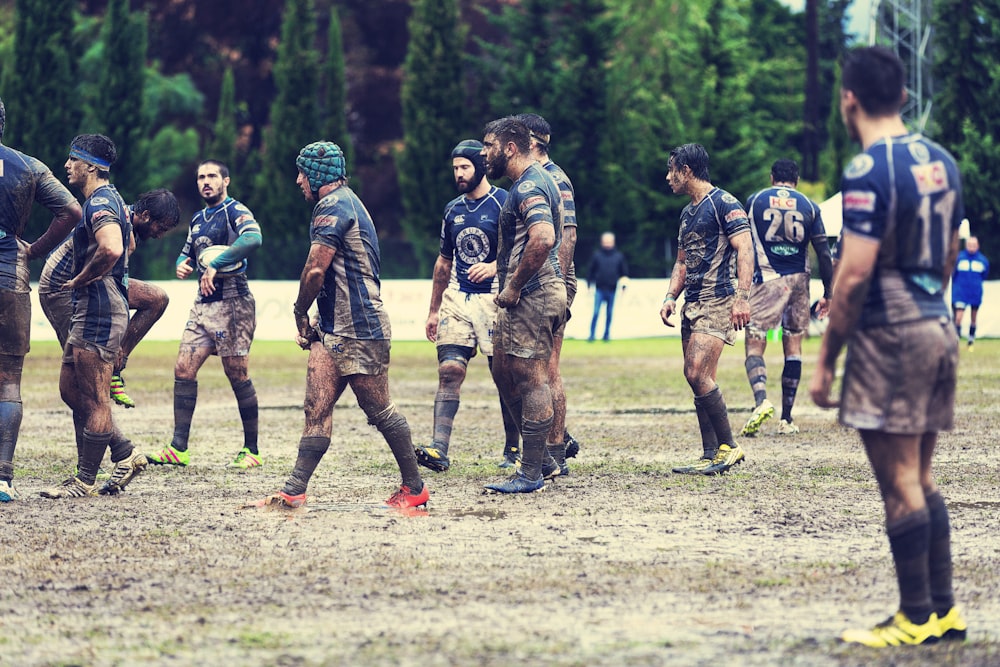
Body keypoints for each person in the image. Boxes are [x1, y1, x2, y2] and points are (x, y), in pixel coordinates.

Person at [810, 46, 966, 647]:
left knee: (897, 479)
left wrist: (826, 361)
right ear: (902, 95)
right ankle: (943, 610)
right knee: (921, 476)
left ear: (849, 99)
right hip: (936, 323)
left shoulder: (867, 170)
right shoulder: (943, 162)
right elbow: (951, 249)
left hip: (890, 332)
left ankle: (914, 615)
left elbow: (851, 276)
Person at [265, 141, 428, 509]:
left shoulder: (332, 206)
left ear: (317, 175)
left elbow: (316, 268)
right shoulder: (344, 202)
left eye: (302, 173)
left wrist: (297, 313)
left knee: (380, 411)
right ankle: (293, 490)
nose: (297, 181)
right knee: (316, 406)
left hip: (360, 328)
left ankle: (415, 489)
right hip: (332, 328)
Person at [39, 134, 149, 499]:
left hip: (100, 310)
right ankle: (125, 453)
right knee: (70, 388)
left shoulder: (99, 202)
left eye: (73, 160)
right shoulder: (109, 199)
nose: (67, 165)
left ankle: (84, 481)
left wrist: (81, 277)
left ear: (90, 166)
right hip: (92, 309)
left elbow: (114, 247)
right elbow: (128, 243)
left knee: (98, 397)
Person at [146, 160, 263, 469]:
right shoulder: (198, 218)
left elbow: (253, 238)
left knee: (236, 373)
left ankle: (251, 450)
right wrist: (181, 263)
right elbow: (188, 251)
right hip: (203, 304)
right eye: (201, 177)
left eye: (212, 176)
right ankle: (178, 448)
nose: (206, 181)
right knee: (183, 368)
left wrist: (216, 263)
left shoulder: (235, 211)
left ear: (226, 180)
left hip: (233, 303)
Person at [414, 140, 519, 472]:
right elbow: (444, 262)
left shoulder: (505, 202)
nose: (458, 174)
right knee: (450, 371)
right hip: (457, 298)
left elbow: (522, 251)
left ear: (481, 167)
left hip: (494, 298)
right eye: (455, 168)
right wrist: (433, 310)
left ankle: (514, 448)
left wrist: (495, 267)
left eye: (465, 167)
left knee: (504, 376)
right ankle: (438, 449)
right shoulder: (453, 209)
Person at [0, 97, 83, 502]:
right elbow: (71, 210)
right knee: (8, 381)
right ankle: (2, 478)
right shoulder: (29, 166)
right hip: (11, 279)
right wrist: (31, 248)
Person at [480, 116, 567, 494]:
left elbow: (544, 237)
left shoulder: (529, 184)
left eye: (489, 147)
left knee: (532, 379)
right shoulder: (531, 181)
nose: (485, 154)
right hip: (527, 296)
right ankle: (542, 460)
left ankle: (532, 471)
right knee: (502, 371)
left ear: (510, 148)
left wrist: (514, 286)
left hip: (532, 294)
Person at [39, 189, 180, 408]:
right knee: (83, 372)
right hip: (64, 286)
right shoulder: (117, 220)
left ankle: (117, 364)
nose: (160, 235)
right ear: (145, 215)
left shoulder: (131, 227)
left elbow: (114, 279)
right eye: (160, 228)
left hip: (95, 282)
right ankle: (115, 440)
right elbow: (106, 268)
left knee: (157, 299)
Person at [659, 143, 752, 476]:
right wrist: (671, 296)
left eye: (672, 170)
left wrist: (742, 296)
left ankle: (730, 447)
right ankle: (711, 452)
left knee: (698, 372)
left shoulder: (725, 204)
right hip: (692, 302)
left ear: (686, 171)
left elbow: (745, 249)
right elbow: (682, 262)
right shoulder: (687, 213)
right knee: (696, 376)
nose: (668, 177)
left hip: (719, 300)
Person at [740, 159, 834, 436]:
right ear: (797, 179)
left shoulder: (755, 200)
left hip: (766, 280)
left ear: (772, 178)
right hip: (799, 283)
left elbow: (741, 243)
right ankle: (787, 418)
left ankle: (761, 401)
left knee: (755, 344)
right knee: (793, 347)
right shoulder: (809, 205)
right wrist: (829, 292)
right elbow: (824, 253)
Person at [517, 112, 581, 470]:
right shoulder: (534, 178)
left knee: (548, 366)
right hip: (542, 278)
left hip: (553, 278)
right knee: (533, 367)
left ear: (532, 143)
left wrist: (556, 281)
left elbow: (567, 236)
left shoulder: (556, 180)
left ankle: (554, 451)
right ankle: (553, 442)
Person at [587, 231, 629, 342]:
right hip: (599, 289)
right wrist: (589, 285)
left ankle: (606, 335)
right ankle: (591, 336)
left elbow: (624, 273)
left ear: (613, 242)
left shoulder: (618, 257)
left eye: (609, 241)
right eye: (605, 241)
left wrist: (624, 288)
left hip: (612, 290)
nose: (607, 244)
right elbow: (591, 271)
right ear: (602, 242)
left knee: (609, 314)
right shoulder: (597, 256)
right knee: (596, 313)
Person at [951, 234, 988, 348]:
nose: (971, 247)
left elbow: (984, 275)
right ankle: (956, 338)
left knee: (974, 316)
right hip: (960, 292)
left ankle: (971, 339)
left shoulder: (983, 261)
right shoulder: (959, 258)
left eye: (974, 245)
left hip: (975, 292)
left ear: (978, 246)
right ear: (966, 245)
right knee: (958, 316)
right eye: (969, 244)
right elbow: (953, 274)